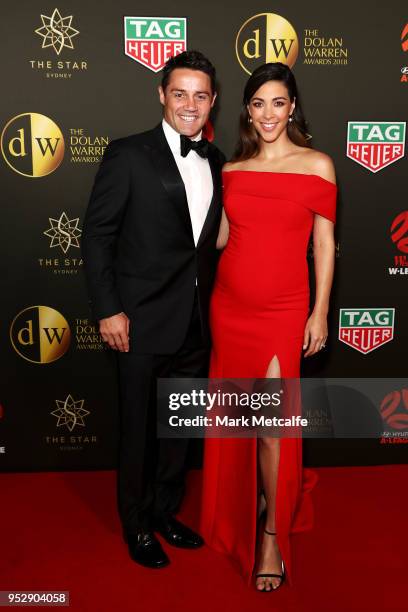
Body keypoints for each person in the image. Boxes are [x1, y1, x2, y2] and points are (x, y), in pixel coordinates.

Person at [81, 50, 225, 569]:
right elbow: (97, 235)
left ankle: (165, 512)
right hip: (137, 322)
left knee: (177, 431)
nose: (190, 104)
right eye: (180, 92)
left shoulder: (215, 160)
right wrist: (108, 309)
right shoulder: (128, 154)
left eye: (201, 95)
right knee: (140, 431)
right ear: (162, 95)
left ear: (213, 102)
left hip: (194, 321)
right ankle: (136, 525)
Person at [200, 62, 337, 592]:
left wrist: (320, 310)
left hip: (284, 309)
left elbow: (324, 243)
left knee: (273, 427)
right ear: (247, 110)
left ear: (293, 107)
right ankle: (248, 501)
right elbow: (220, 238)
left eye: (278, 102)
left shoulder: (318, 165)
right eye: (258, 103)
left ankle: (272, 535)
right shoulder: (233, 169)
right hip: (229, 306)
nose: (267, 114)